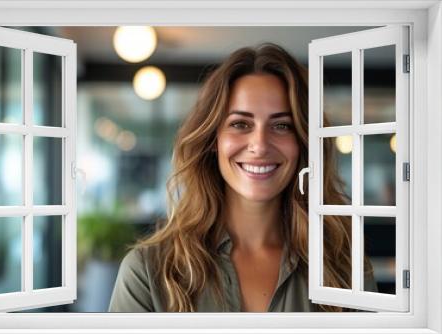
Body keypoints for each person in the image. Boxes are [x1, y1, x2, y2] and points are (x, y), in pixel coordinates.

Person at [108, 43, 377, 313]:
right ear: (214, 139)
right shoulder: (148, 272)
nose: (259, 145)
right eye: (240, 124)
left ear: (303, 143)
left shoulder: (343, 266)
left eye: (281, 126)